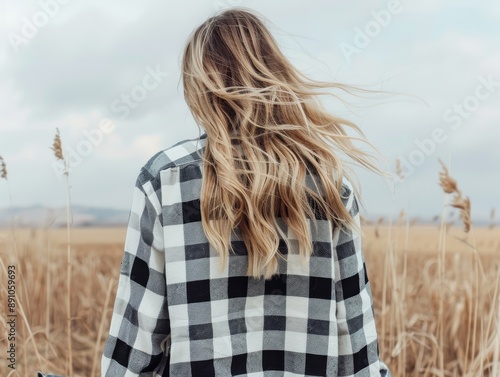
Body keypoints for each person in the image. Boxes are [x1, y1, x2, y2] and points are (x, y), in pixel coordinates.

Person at [101, 8, 391, 377]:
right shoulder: (330, 186)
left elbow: (133, 355)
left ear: (200, 89)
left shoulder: (164, 181)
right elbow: (359, 351)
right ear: (275, 73)